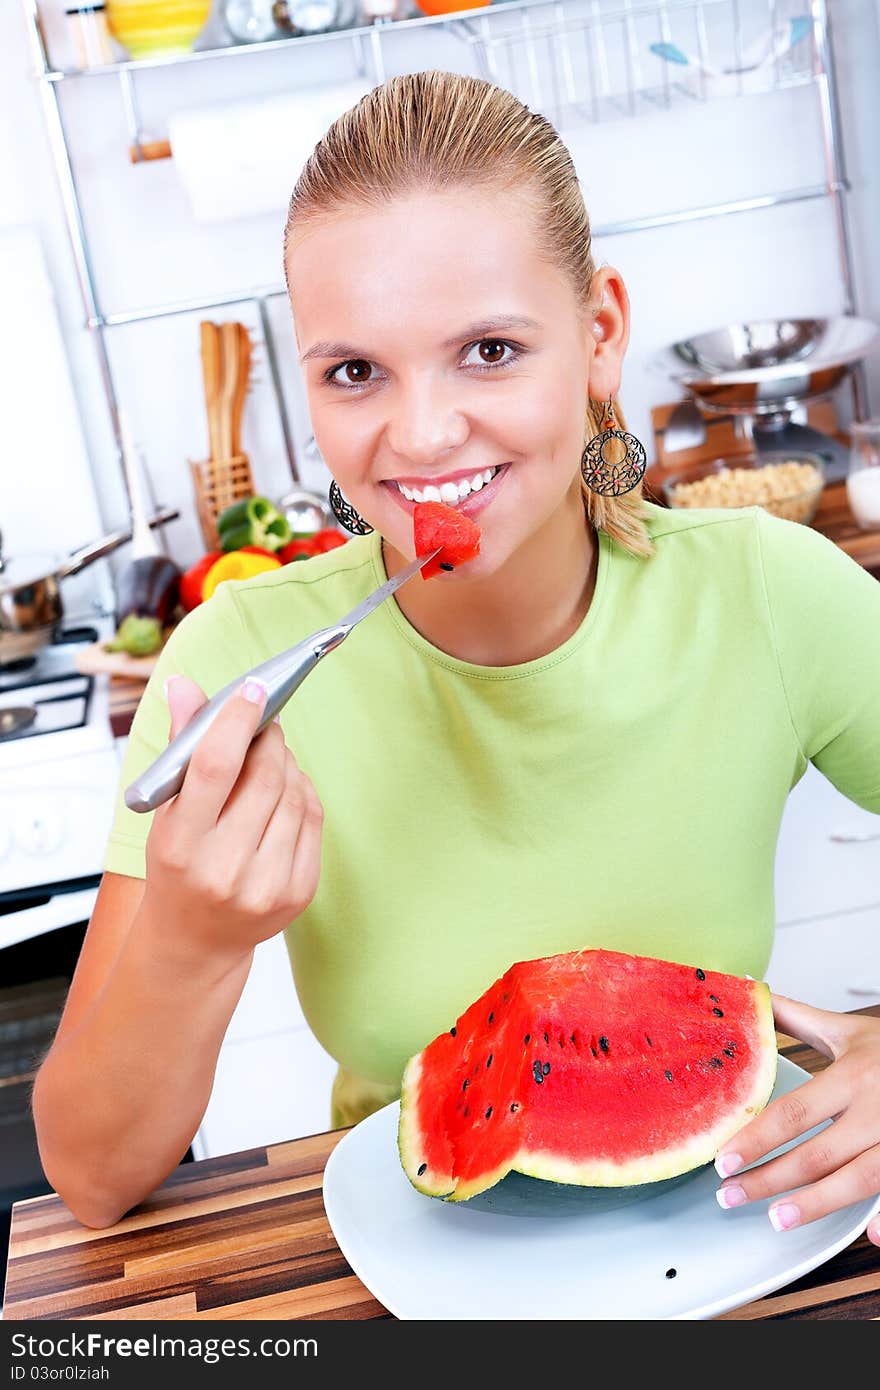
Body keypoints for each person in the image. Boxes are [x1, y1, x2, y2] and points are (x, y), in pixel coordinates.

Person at [33, 71, 880, 1246]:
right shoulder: (235, 663)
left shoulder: (771, 595)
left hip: (738, 1240)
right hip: (402, 1280)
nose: (421, 434)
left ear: (598, 335)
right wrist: (188, 940)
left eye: (487, 350)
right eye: (355, 371)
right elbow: (86, 1174)